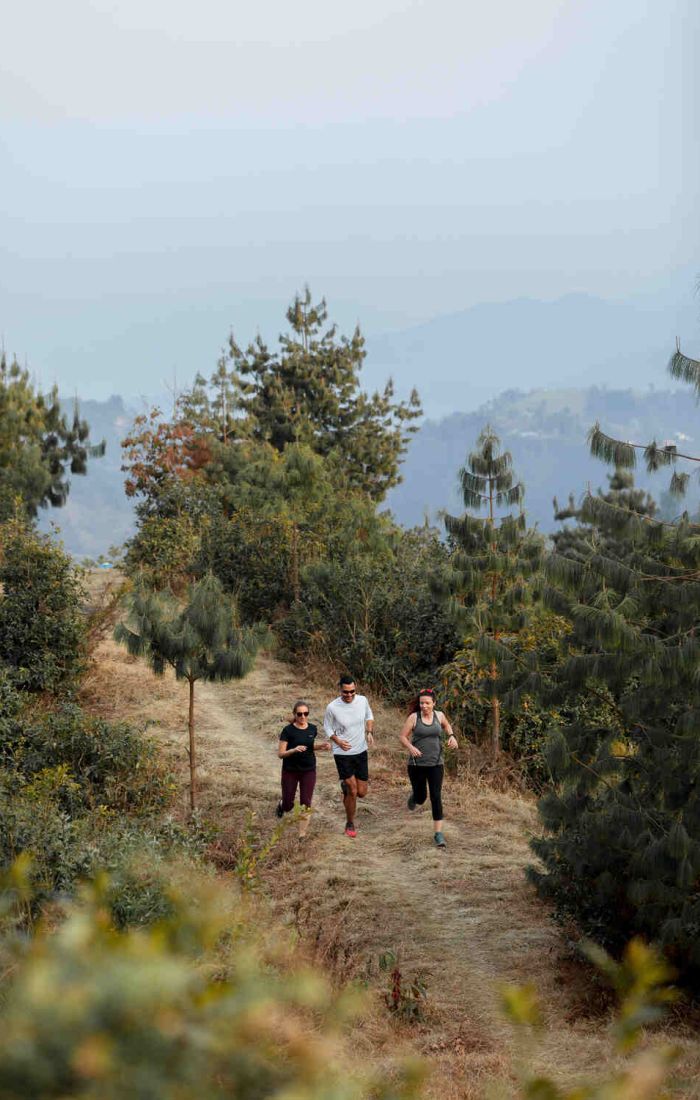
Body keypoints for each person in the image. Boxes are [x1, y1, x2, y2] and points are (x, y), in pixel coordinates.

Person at [398, 687, 457, 848]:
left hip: (436, 764)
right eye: (421, 703)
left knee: (436, 797)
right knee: (421, 797)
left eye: (427, 703)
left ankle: (438, 834)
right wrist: (411, 748)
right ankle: (415, 797)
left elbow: (446, 725)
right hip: (416, 765)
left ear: (434, 703)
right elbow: (402, 736)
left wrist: (452, 736)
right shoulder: (414, 718)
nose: (424, 706)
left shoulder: (439, 715)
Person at [324, 674, 374, 838]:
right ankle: (350, 823)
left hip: (361, 751)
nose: (350, 695)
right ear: (340, 690)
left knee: (362, 793)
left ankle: (346, 788)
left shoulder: (363, 701)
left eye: (352, 691)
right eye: (346, 692)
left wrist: (369, 732)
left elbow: (369, 716)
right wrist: (337, 741)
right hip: (343, 753)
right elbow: (328, 728)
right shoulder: (332, 707)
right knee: (353, 790)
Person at [276, 699, 328, 839]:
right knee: (288, 806)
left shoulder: (312, 728)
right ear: (294, 714)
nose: (303, 717)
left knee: (306, 803)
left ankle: (301, 835)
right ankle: (282, 804)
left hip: (308, 769)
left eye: (306, 713)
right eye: (299, 714)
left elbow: (309, 745)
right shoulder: (287, 731)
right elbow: (281, 754)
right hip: (290, 770)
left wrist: (321, 746)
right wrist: (293, 750)